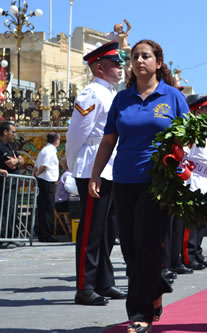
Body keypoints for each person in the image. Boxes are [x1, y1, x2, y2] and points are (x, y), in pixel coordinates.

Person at [89, 39, 189, 333]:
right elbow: (109, 140)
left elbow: (190, 136)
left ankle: (140, 312)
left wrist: (180, 164)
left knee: (147, 243)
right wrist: (96, 174)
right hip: (123, 180)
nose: (140, 60)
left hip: (157, 182)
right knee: (130, 247)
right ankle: (155, 288)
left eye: (146, 56)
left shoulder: (171, 97)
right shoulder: (122, 99)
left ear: (158, 62)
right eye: (135, 56)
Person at [66, 41, 125, 306]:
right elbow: (77, 134)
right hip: (92, 167)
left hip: (110, 168)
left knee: (106, 229)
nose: (121, 67)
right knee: (90, 231)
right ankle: (84, 286)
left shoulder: (111, 94)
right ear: (100, 68)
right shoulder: (92, 93)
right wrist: (74, 166)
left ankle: (104, 281)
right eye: (115, 63)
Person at [180, 94, 207, 270]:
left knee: (202, 222)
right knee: (191, 223)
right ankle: (188, 255)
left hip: (206, 179)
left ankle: (197, 253)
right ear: (197, 110)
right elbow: (185, 154)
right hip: (194, 178)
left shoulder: (206, 130)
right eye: (206, 110)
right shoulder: (191, 130)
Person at [0, 122, 25, 249]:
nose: (14, 134)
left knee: (12, 209)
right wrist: (15, 161)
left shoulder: (11, 145)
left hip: (12, 183)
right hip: (3, 184)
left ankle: (12, 236)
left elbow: (21, 161)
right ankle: (2, 237)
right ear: (5, 132)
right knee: (4, 210)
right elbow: (10, 164)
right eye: (13, 132)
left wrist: (17, 160)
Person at [33, 132, 60, 242]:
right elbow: (44, 166)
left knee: (44, 208)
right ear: (57, 140)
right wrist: (38, 176)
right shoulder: (50, 151)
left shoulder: (44, 150)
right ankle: (46, 234)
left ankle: (43, 233)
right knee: (47, 209)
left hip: (44, 181)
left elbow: (36, 166)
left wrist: (35, 176)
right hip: (46, 181)